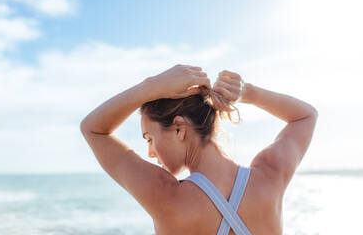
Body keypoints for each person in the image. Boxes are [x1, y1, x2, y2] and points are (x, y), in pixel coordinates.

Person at [80, 64, 318, 235]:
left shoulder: (164, 195)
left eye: (150, 138)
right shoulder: (270, 176)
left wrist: (150, 87)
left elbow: (93, 129)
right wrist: (248, 93)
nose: (151, 152)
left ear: (178, 129)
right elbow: (305, 116)